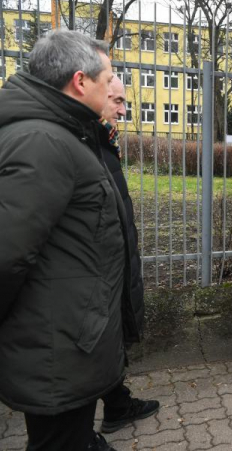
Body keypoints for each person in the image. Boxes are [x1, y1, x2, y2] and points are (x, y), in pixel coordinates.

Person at [0, 30, 133, 451]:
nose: (112, 86)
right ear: (80, 81)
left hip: (67, 339)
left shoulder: (61, 133)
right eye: (107, 76)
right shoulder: (43, 141)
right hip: (56, 346)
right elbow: (7, 254)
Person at [98, 77, 160, 433]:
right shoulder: (84, 141)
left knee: (110, 338)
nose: (123, 109)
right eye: (117, 100)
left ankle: (117, 404)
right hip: (97, 270)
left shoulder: (103, 139)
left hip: (113, 261)